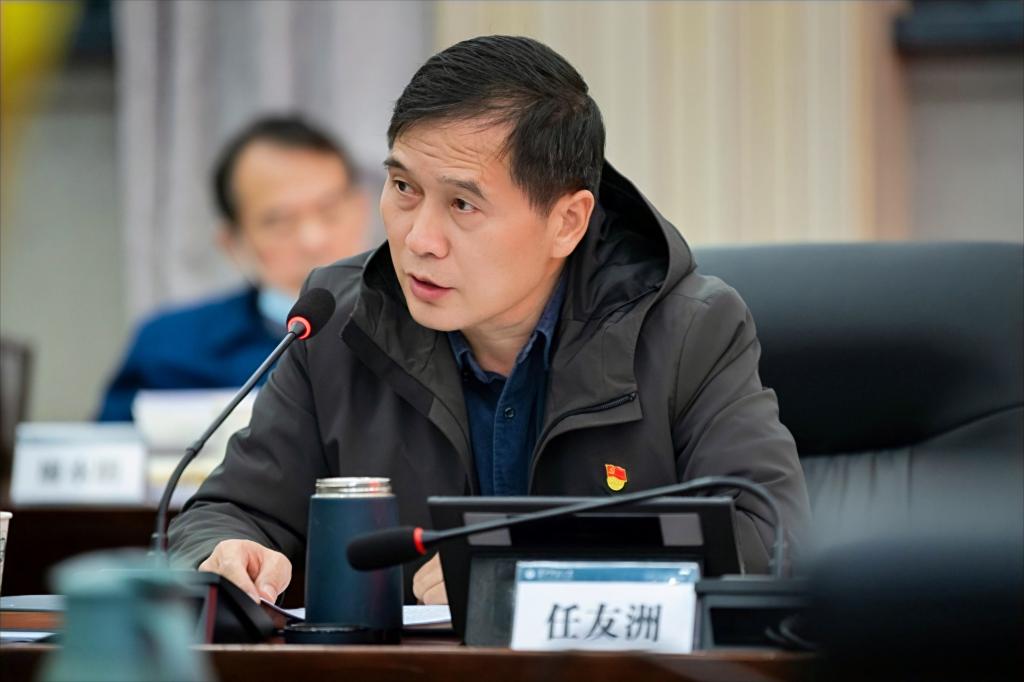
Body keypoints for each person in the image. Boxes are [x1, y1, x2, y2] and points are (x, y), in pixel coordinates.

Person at [169, 36, 811, 606]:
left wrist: (518, 566)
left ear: (567, 222)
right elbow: (227, 512)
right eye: (404, 189)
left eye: (463, 205)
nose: (419, 239)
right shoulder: (336, 321)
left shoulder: (689, 331)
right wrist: (222, 551)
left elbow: (768, 539)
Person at [97, 116, 371, 421]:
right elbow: (108, 446)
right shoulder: (168, 349)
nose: (313, 240)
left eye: (330, 211)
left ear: (362, 209)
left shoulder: (410, 324)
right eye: (280, 222)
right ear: (232, 243)